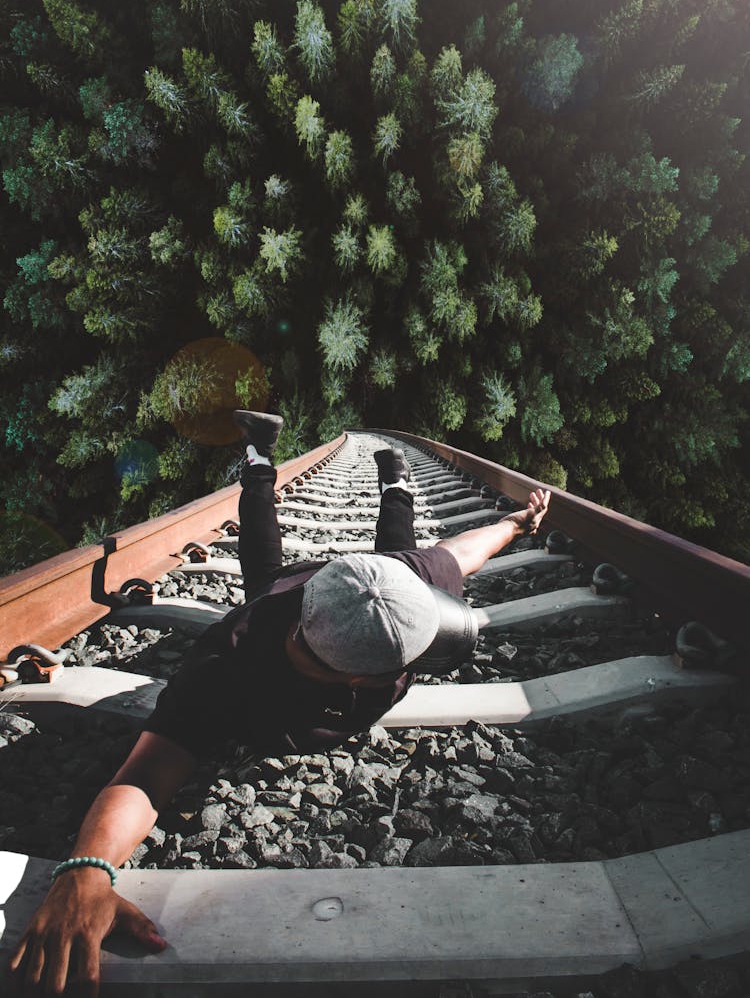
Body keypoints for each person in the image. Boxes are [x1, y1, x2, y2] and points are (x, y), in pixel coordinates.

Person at [8, 411, 550, 996]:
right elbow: (147, 770)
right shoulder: (225, 669)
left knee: (402, 554)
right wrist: (86, 869)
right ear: (360, 684)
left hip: (343, 586)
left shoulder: (397, 581)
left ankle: (392, 481)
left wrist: (517, 524)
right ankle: (259, 459)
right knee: (264, 572)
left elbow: (458, 553)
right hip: (280, 598)